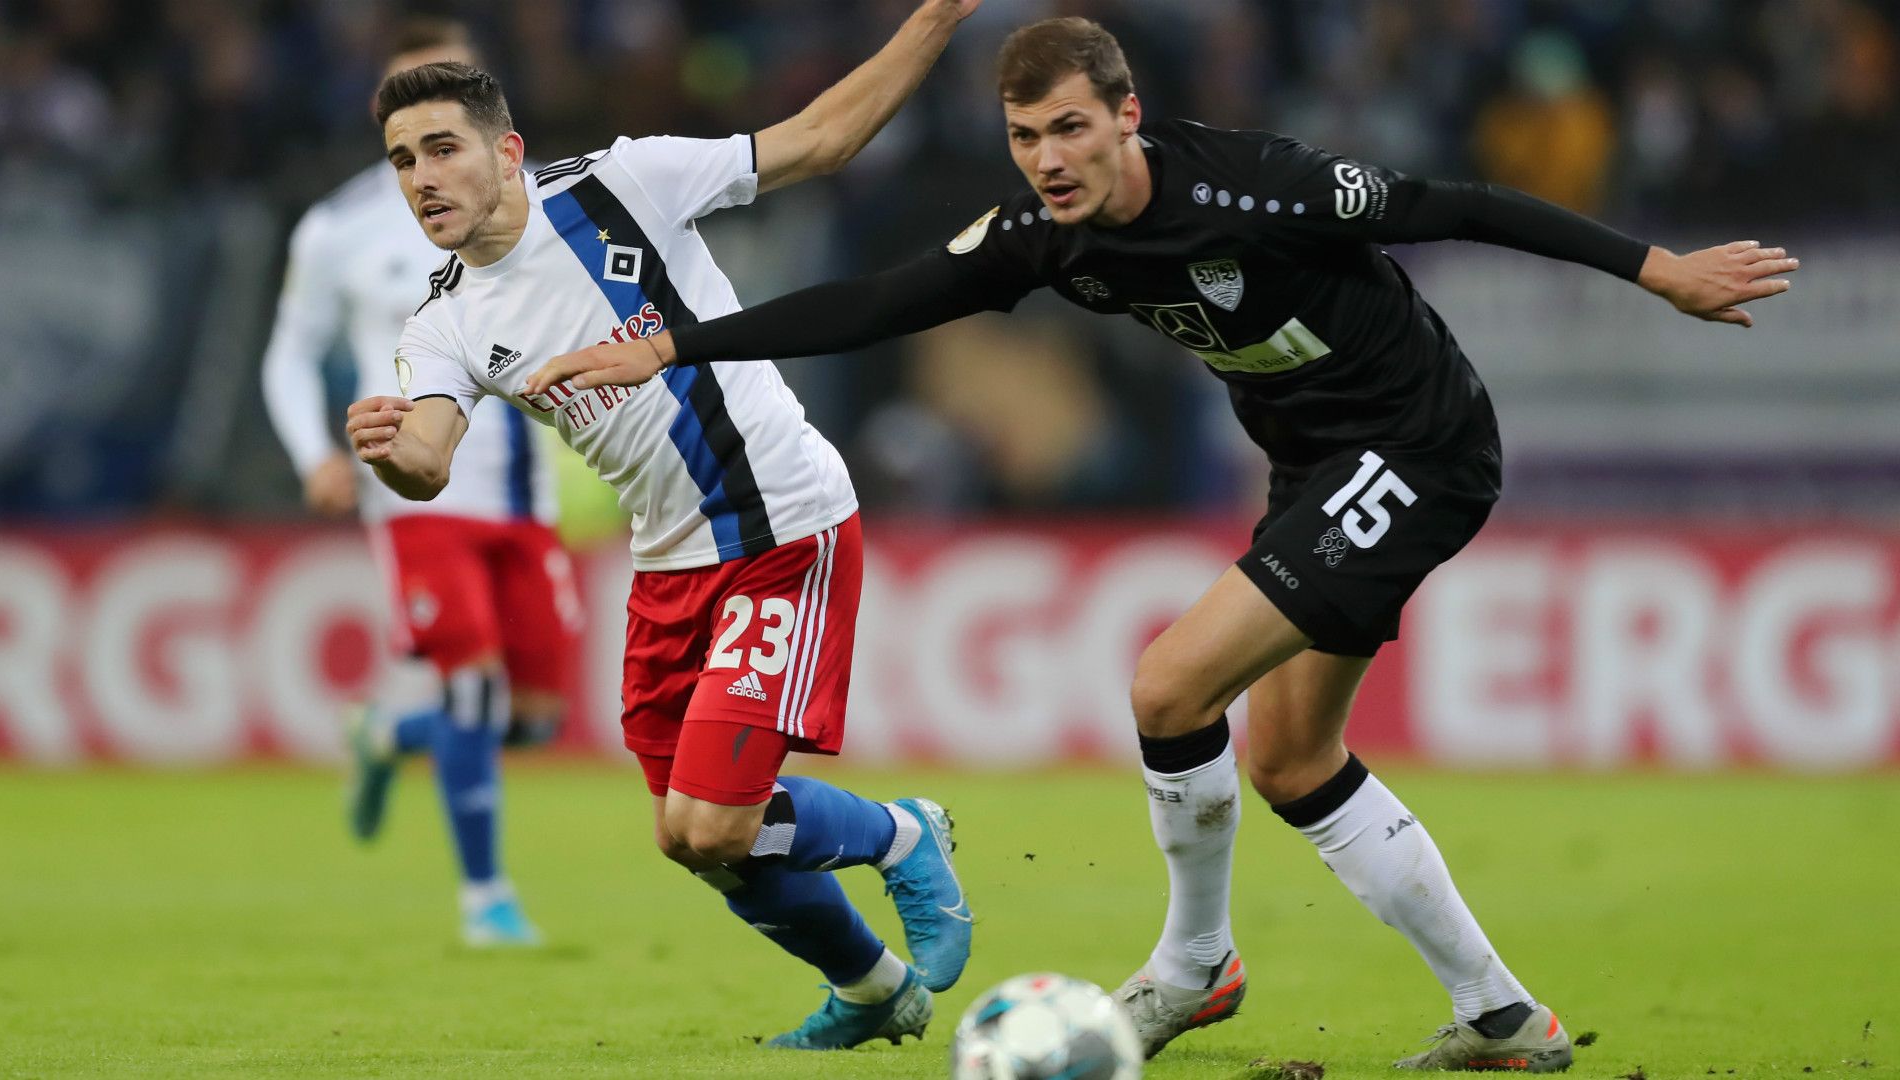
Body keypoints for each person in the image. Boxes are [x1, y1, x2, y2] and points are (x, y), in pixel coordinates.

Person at [524, 16, 1798, 1072]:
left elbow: (1455, 203)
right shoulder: (1043, 234)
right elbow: (879, 302)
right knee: (1292, 760)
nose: (1048, 159)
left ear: (1127, 117)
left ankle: (1193, 965)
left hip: (1418, 446)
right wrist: (672, 344)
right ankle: (1505, 1017)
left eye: (1071, 128)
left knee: (1169, 687)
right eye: (1026, 137)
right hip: (1313, 468)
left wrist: (1657, 268)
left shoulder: (1258, 185)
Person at [344, 0, 980, 1053]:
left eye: (443, 148)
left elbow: (822, 139)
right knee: (689, 839)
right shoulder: (445, 319)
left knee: (722, 818)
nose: (421, 178)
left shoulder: (623, 184)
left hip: (780, 526)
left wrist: (937, 17)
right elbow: (428, 461)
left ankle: (902, 833)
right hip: (667, 564)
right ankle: (872, 988)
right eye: (403, 160)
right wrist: (384, 449)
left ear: (506, 152)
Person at [261, 17, 580, 948]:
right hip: (415, 495)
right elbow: (291, 353)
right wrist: (314, 455)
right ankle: (487, 899)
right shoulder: (339, 228)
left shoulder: (543, 199)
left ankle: (389, 735)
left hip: (525, 490)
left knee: (534, 719)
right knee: (471, 690)